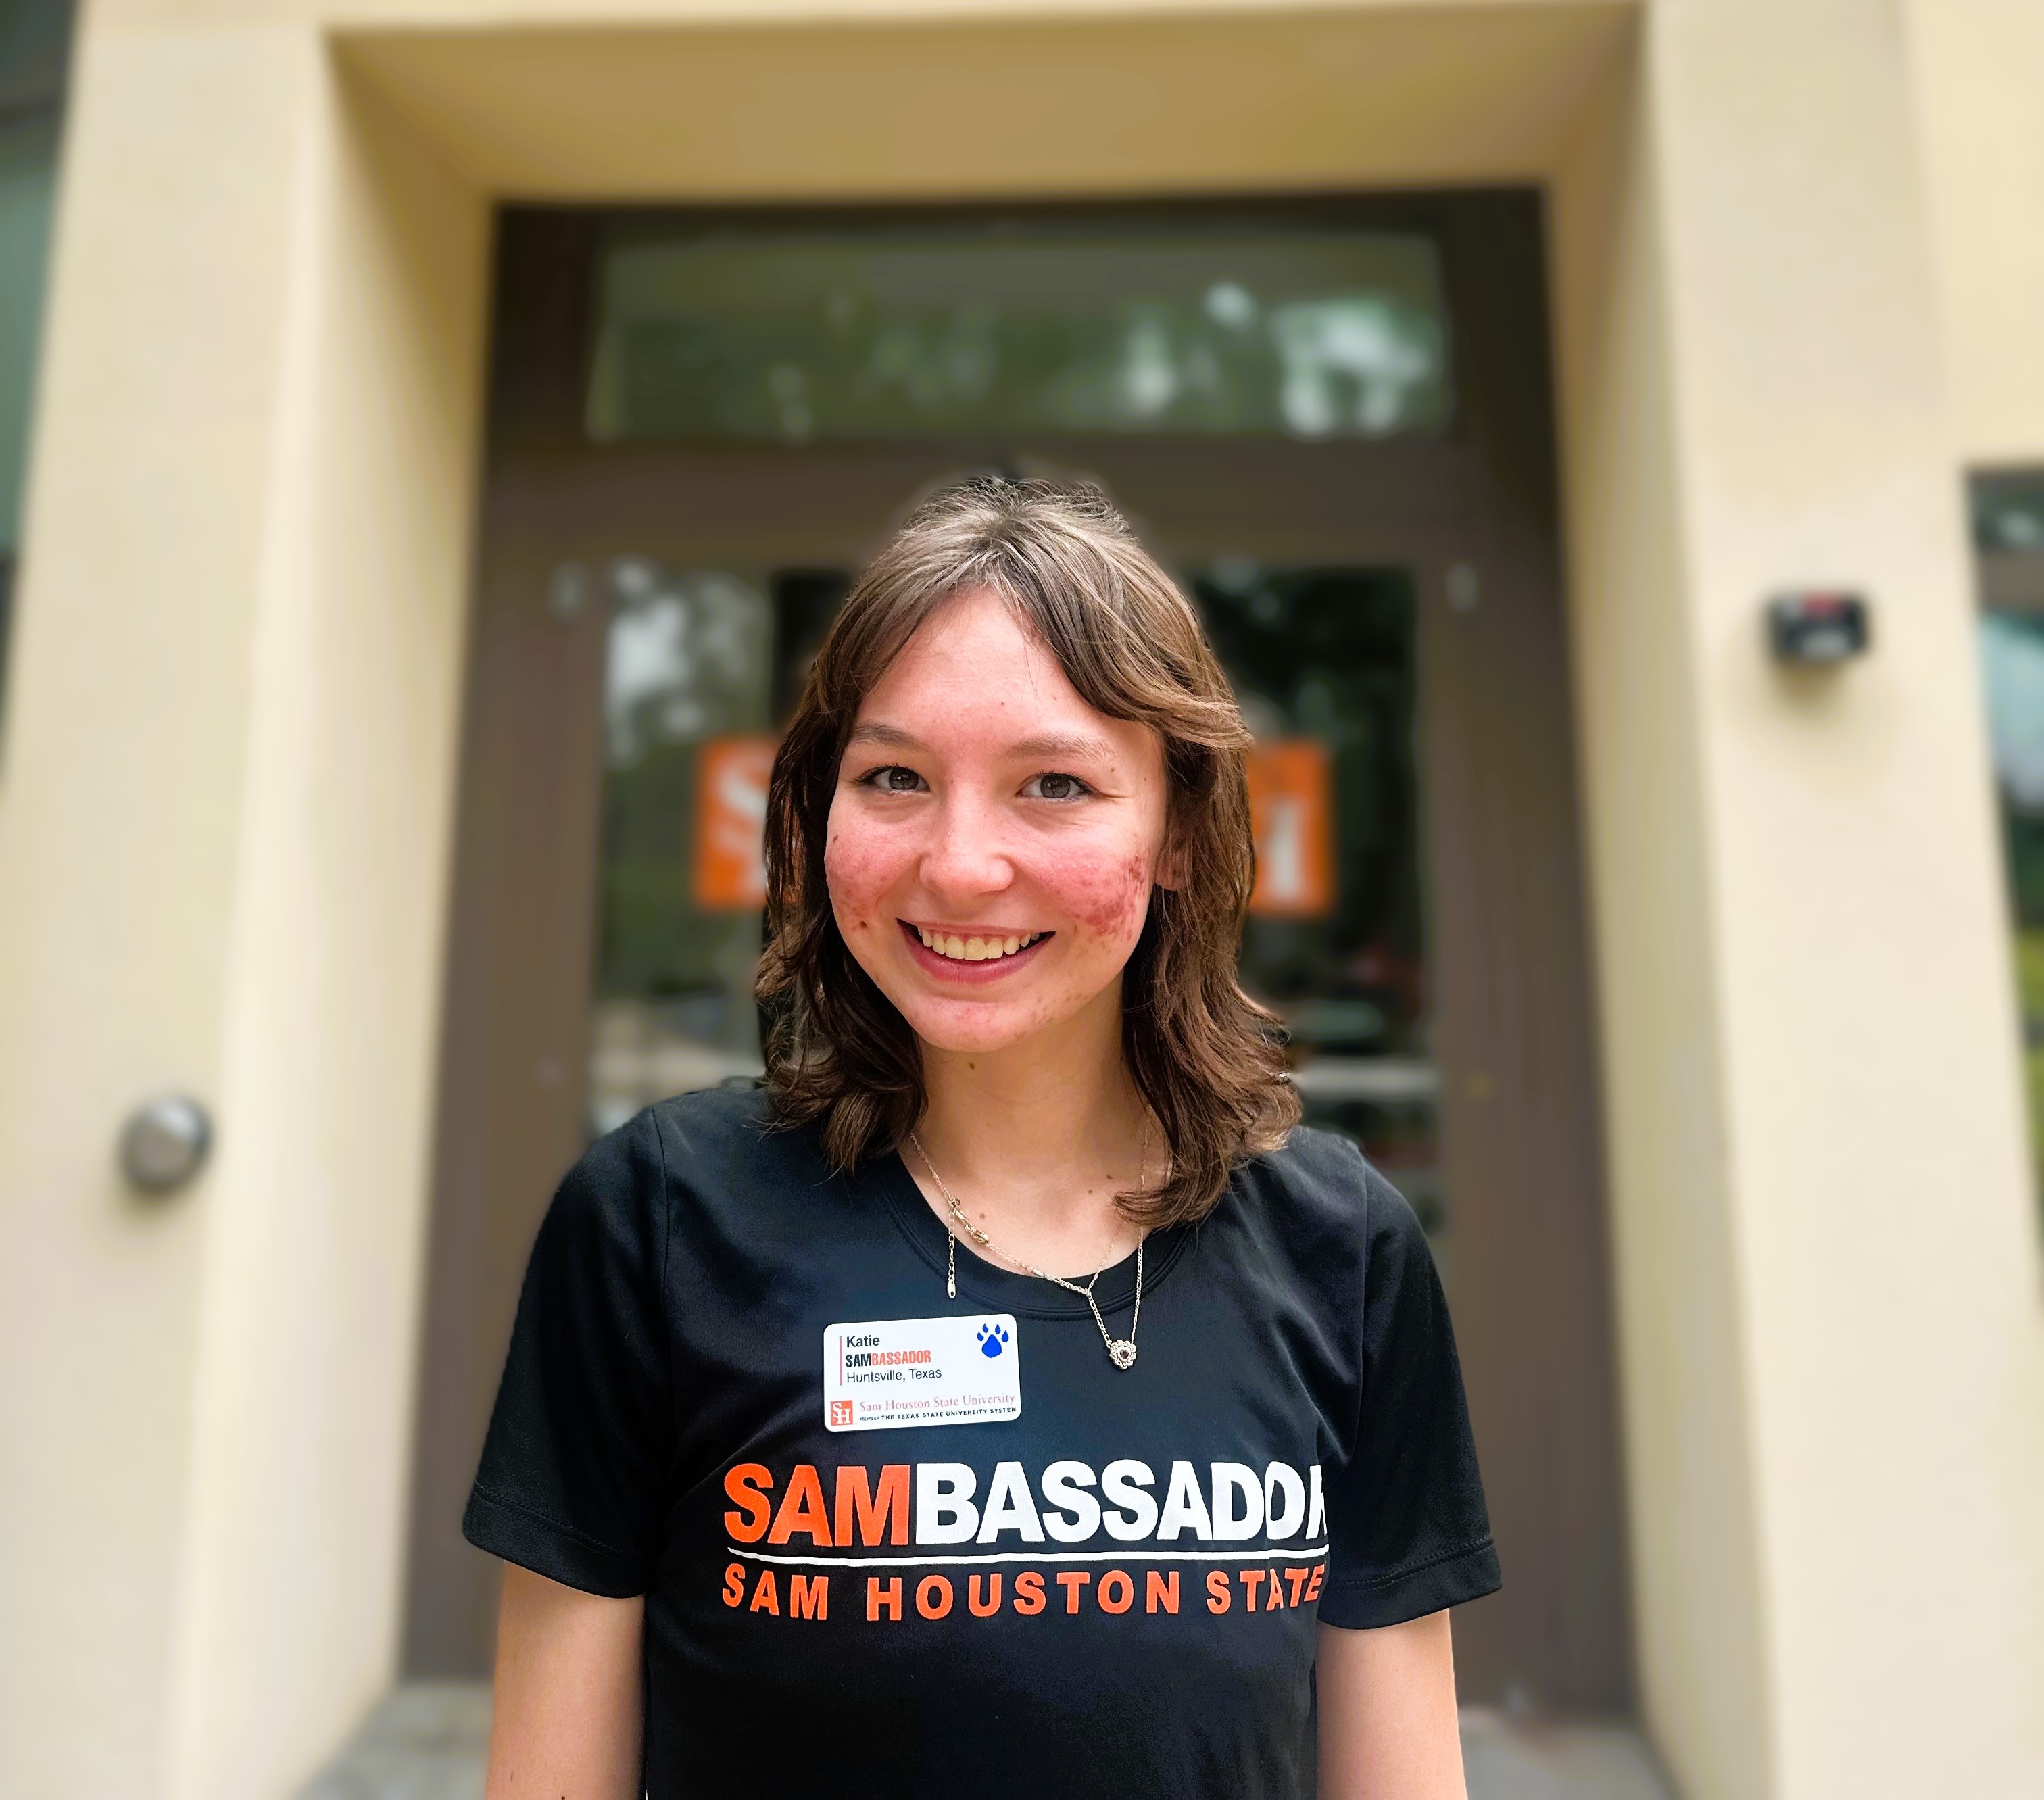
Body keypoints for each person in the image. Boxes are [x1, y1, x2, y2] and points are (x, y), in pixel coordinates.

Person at [464, 479, 1500, 1799]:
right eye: (894, 776)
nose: (959, 865)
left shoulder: (1342, 1251)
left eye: (1052, 785)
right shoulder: (659, 1223)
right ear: (817, 811)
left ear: (1180, 829)